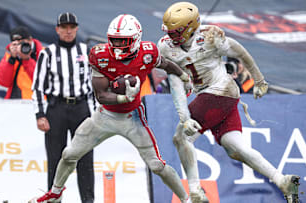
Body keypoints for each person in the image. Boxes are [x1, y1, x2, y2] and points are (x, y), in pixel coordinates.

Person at [31, 14, 193, 203]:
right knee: (68, 155)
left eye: (122, 41)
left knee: (157, 165)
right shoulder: (100, 55)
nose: (117, 45)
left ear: (135, 39)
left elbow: (165, 64)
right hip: (105, 116)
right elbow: (100, 95)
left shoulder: (148, 53)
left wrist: (183, 77)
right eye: (114, 40)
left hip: (133, 117)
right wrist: (124, 96)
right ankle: (55, 193)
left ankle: (186, 198)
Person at [158, 2, 300, 203]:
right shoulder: (165, 46)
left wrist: (259, 79)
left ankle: (195, 192)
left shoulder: (210, 36)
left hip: (219, 91)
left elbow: (240, 52)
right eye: (170, 31)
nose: (171, 35)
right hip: (221, 96)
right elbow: (175, 84)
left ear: (190, 27)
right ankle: (282, 180)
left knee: (180, 139)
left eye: (176, 31)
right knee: (235, 148)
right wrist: (185, 116)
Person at [31, 12, 95, 203]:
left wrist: (94, 113)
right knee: (56, 159)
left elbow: (94, 85)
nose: (68, 31)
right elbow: (38, 87)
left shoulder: (86, 52)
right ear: (57, 29)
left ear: (76, 29)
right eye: (64, 27)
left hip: (81, 108)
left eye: (71, 27)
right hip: (56, 108)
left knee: (85, 158)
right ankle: (54, 199)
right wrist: (40, 114)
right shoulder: (47, 53)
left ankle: (88, 200)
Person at [0, 26, 43, 99]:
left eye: (22, 43)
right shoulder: (10, 55)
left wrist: (26, 59)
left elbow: (43, 81)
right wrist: (12, 59)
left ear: (30, 40)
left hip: (39, 102)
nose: (19, 46)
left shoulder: (44, 53)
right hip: (15, 103)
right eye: (16, 44)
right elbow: (3, 82)